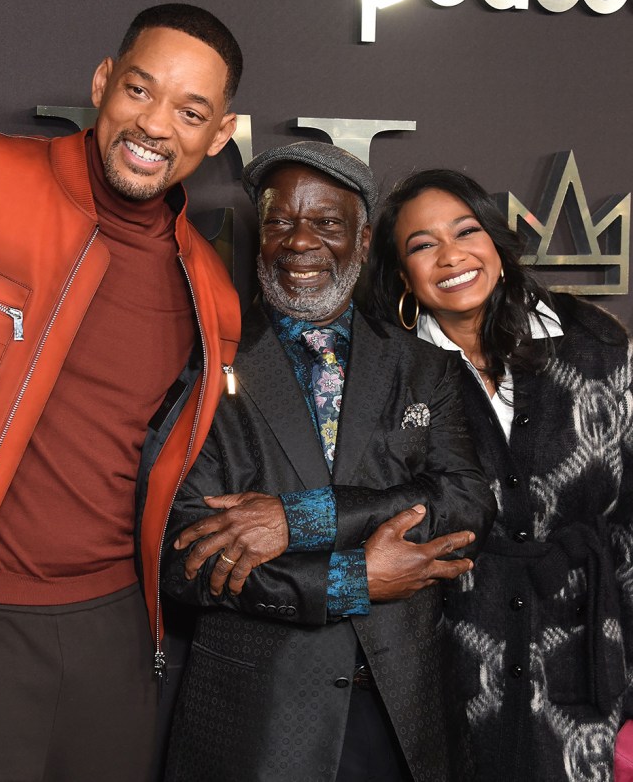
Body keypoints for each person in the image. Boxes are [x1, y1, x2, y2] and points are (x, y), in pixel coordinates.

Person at [0, 3, 242, 782]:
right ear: (102, 81)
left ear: (219, 135)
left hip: (114, 633)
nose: (154, 126)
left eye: (190, 111)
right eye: (140, 90)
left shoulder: (209, 289)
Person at [160, 142, 497, 782]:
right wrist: (351, 580)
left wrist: (302, 519)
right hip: (258, 720)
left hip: (405, 712)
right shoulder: (202, 364)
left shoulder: (426, 369)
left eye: (327, 223)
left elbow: (465, 501)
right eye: (281, 221)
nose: (300, 241)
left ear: (364, 242)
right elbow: (187, 558)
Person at [366, 168, 633, 781]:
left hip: (585, 657)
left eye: (467, 230)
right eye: (422, 244)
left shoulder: (596, 341)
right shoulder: (391, 373)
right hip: (444, 663)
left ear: (497, 243)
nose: (451, 255)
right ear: (402, 274)